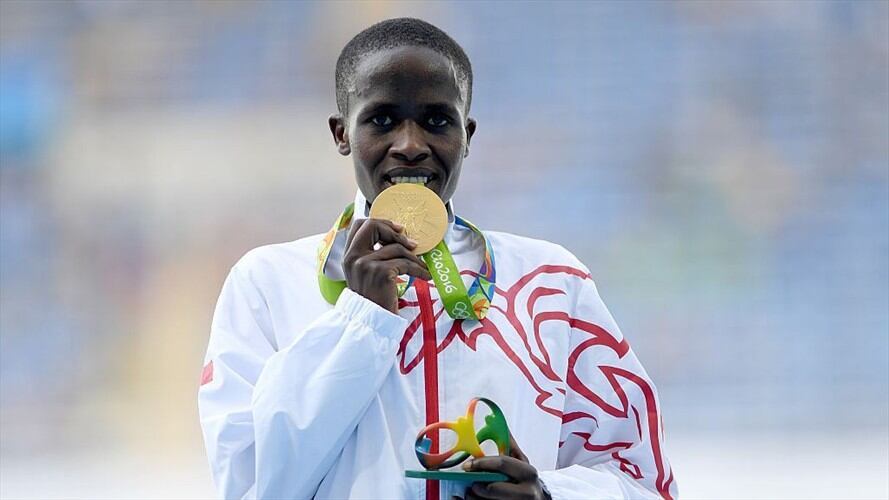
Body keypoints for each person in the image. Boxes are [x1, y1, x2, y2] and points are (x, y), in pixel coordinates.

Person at [198, 17, 677, 500]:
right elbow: (250, 484)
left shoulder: (553, 283)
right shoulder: (267, 283)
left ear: (466, 135)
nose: (410, 145)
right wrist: (360, 321)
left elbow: (644, 483)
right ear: (342, 133)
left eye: (437, 121)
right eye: (382, 120)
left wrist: (548, 494)